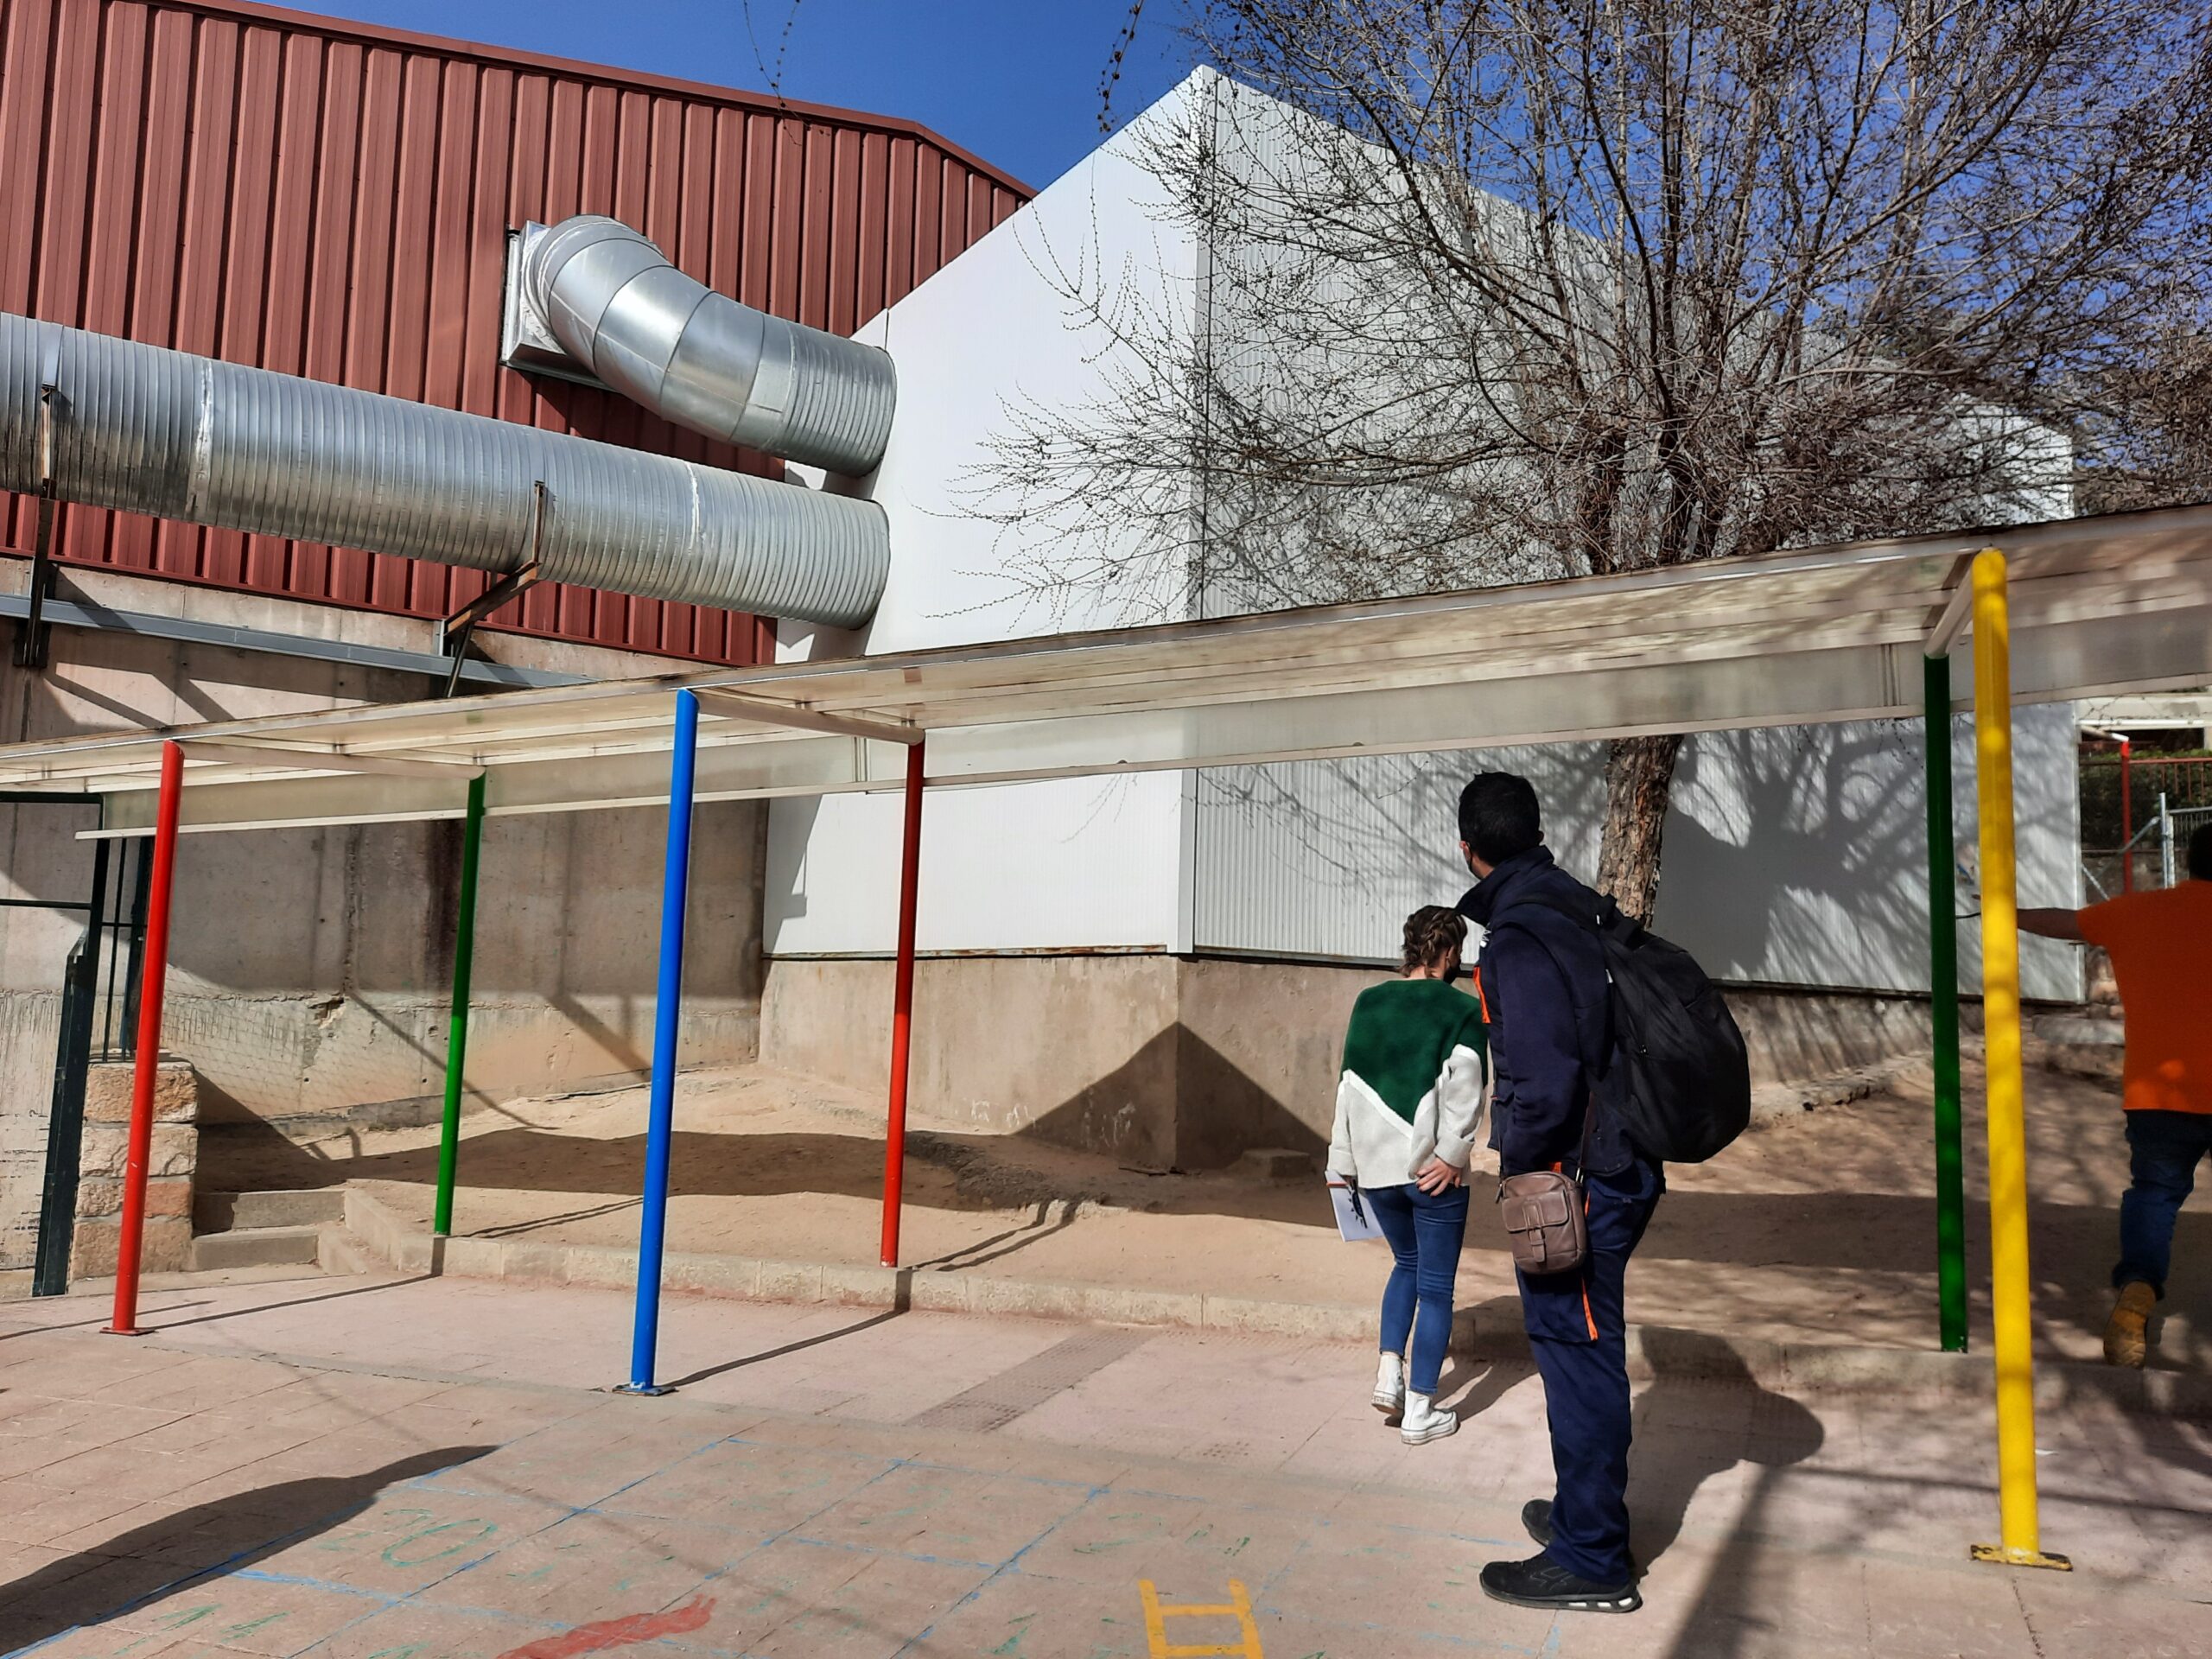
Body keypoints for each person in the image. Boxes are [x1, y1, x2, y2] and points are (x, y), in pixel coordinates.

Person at [1457, 772, 1661, 1616]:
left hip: (1578, 1180)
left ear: (1467, 847)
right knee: (1587, 1350)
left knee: (1578, 1358)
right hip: (1618, 1160)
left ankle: (1592, 1558)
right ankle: (1585, 1516)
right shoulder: (1574, 905)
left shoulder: (1519, 937)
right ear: (1533, 835)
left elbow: (1541, 1086)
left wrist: (1522, 1175)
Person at [2019, 821, 2212, 1369]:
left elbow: (2063, 922)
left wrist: (2006, 912)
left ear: (2189, 861)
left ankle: (2136, 1297)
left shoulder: (2137, 911)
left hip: (2157, 1095)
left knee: (2154, 1195)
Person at [1327, 906, 1491, 1446]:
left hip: (1374, 1171)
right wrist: (1453, 1153)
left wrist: (1342, 1160)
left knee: (1405, 1264)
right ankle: (1421, 1410)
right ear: (1449, 952)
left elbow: (1349, 1086)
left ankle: (1388, 1375)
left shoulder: (1368, 1002)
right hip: (1433, 1172)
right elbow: (1467, 1088)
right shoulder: (1463, 1009)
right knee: (1437, 1288)